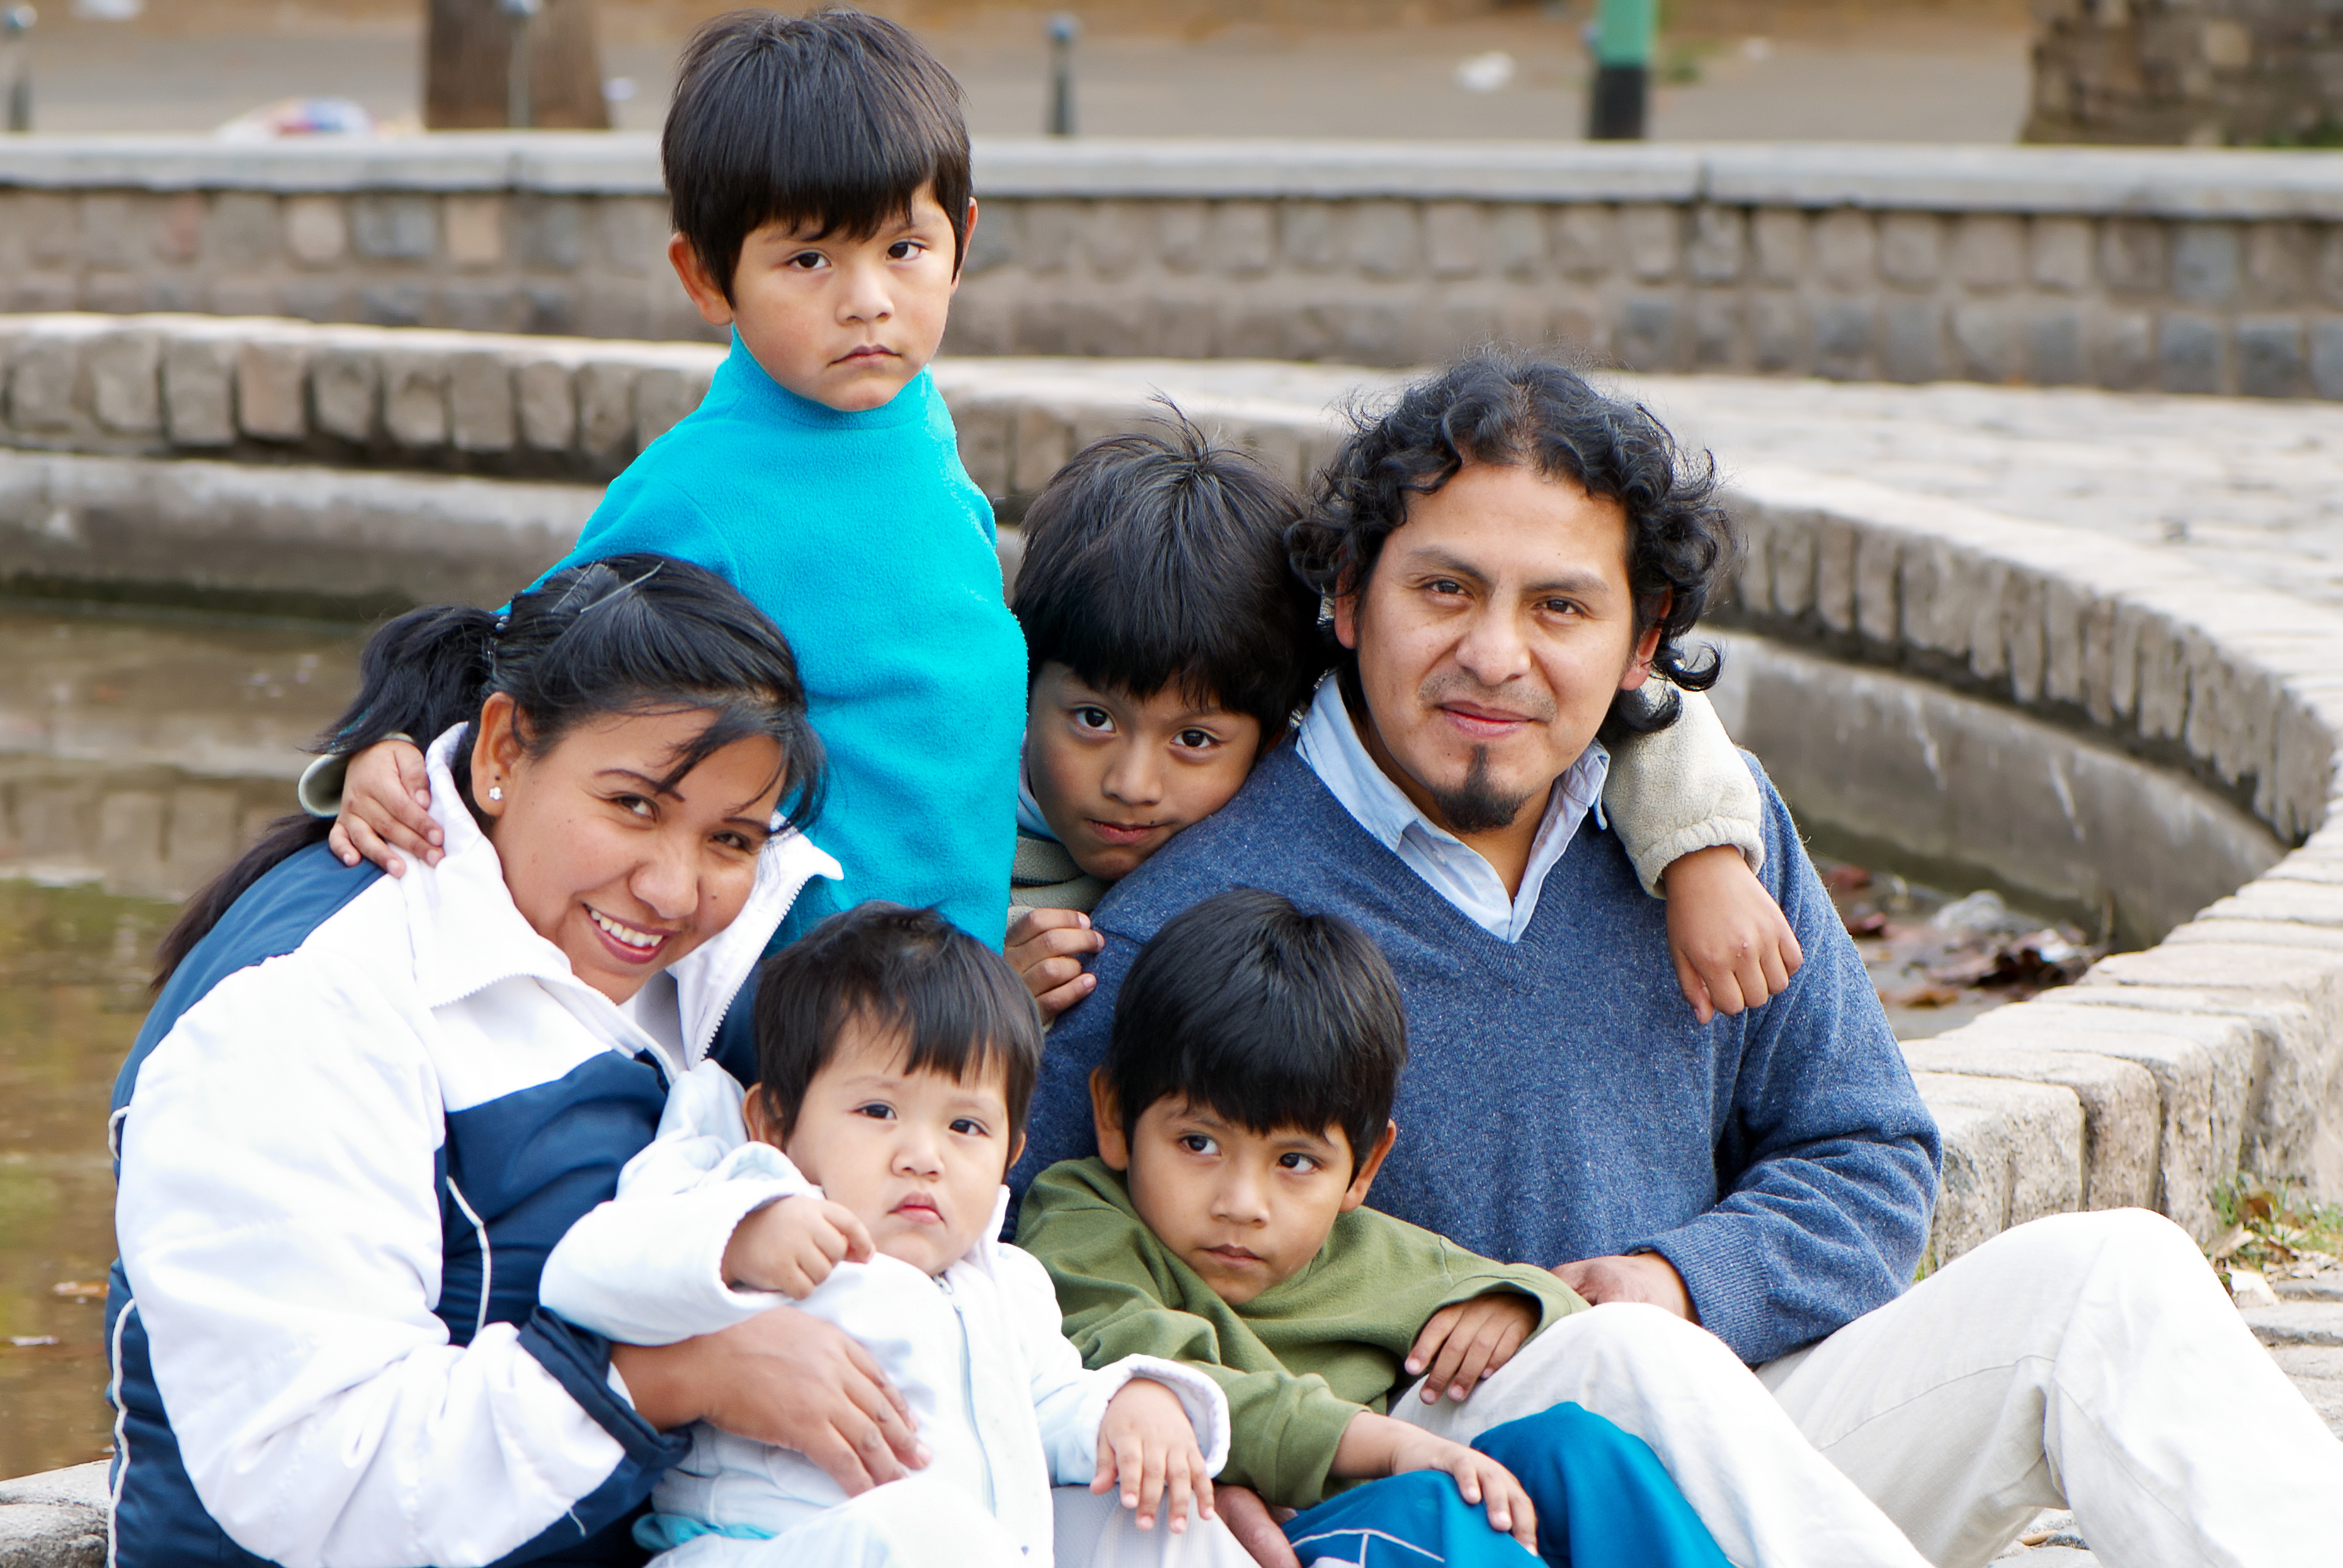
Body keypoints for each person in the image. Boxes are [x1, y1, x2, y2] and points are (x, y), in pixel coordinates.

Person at [1017, 351, 2343, 1568]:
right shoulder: (1182, 914)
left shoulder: (1707, 839)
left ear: (1641, 640)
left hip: (1747, 1436)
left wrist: (1685, 1278)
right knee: (1632, 1362)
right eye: (1444, 590)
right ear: (1350, 602)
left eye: (1561, 608)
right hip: (1439, 1476)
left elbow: (1870, 1152)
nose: (1496, 654)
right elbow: (1046, 1262)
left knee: (2110, 1281)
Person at [106, 557, 933, 1567]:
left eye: (730, 837)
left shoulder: (695, 953)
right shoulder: (309, 1007)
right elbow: (313, 1472)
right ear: (501, 748)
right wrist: (674, 1375)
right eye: (633, 805)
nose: (672, 891)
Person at [313, 7, 1024, 954]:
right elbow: (528, 661)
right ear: (706, 277)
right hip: (807, 997)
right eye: (808, 259)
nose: (868, 300)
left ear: (961, 241)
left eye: (904, 249)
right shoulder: (700, 494)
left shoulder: (911, 416)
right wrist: (384, 745)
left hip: (957, 967)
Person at [1020, 889, 1944, 1568]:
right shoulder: (1085, 1219)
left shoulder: (1357, 1247)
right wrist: (1394, 1443)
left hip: (1388, 1480)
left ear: (1364, 1170)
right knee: (1437, 1508)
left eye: (1295, 1160)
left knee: (1583, 1451)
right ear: (1114, 1117)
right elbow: (1159, 1370)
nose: (1244, 1201)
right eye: (1197, 1142)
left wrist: (1514, 1301)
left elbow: (1513, 1289)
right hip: (1280, 1528)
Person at [1000, 415, 1801, 1026]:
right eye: (1095, 720)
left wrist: (1703, 857)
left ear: (1279, 724)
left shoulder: (1735, 846)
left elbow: (1642, 711)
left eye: (1195, 740)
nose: (1133, 785)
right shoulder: (952, 826)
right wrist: (976, 989)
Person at [539, 902, 1237, 1568]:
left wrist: (1127, 1405)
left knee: (1157, 1519)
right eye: (878, 1110)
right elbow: (586, 1271)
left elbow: (1046, 1411)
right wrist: (741, 1237)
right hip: (761, 1550)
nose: (924, 1156)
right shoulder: (746, 1199)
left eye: (966, 1127)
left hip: (962, 1549)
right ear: (773, 1122)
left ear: (1011, 1153)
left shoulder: (1007, 1286)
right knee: (926, 1525)